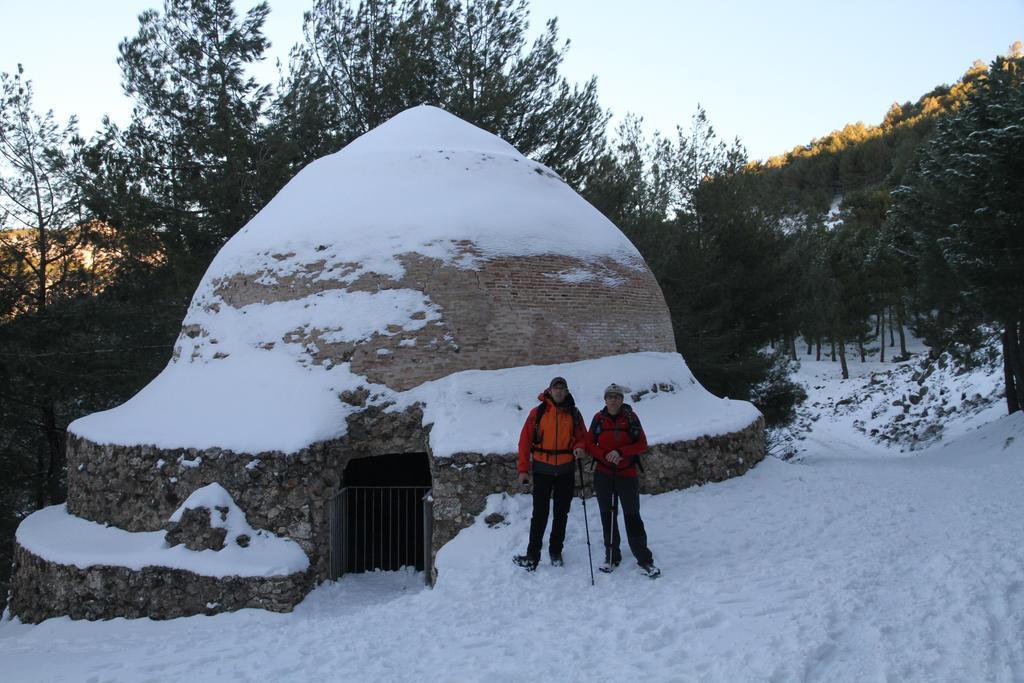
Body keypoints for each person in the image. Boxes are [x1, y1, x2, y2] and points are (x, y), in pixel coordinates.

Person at [513, 376, 588, 571]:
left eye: (562, 388)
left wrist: (580, 447)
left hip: (565, 469)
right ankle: (532, 555)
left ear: (567, 391)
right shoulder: (537, 413)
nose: (559, 391)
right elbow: (524, 442)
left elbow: (583, 438)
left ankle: (555, 551)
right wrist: (523, 470)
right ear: (550, 390)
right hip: (542, 470)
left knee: (561, 513)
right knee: (539, 514)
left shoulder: (574, 413)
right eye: (556, 388)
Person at [587, 383, 660, 578]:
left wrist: (620, 452)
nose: (613, 399)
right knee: (607, 516)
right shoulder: (598, 419)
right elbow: (589, 444)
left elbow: (642, 444)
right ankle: (612, 556)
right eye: (610, 396)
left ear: (622, 399)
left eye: (617, 396)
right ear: (605, 399)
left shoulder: (630, 418)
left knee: (632, 515)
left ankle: (644, 558)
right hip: (603, 474)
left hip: (626, 474)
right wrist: (605, 456)